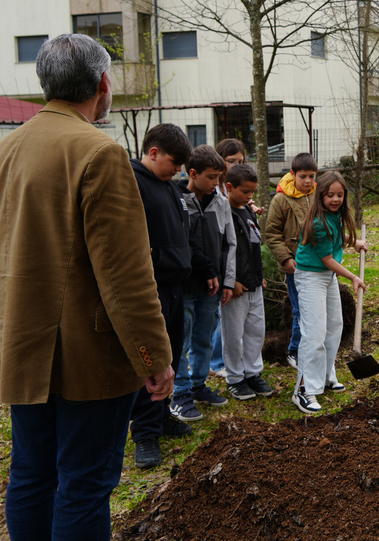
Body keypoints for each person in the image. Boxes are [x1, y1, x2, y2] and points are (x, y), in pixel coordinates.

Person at [0, 34, 173, 540]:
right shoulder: (99, 152)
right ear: (103, 83)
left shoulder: (8, 148)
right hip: (87, 355)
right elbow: (126, 275)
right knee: (85, 483)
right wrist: (154, 356)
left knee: (31, 474)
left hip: (22, 346)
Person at [129, 123, 195, 469]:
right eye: (174, 162)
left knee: (170, 353)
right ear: (153, 153)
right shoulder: (132, 182)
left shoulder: (168, 186)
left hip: (174, 286)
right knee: (151, 360)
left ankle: (162, 415)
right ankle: (144, 434)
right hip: (150, 287)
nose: (178, 170)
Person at [291, 171, 367, 413]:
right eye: (330, 195)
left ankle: (324, 376)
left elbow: (335, 236)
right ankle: (304, 390)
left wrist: (352, 241)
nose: (335, 199)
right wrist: (353, 276)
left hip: (327, 276)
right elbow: (326, 258)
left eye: (340, 195)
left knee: (334, 325)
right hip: (311, 276)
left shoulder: (334, 216)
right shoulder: (316, 222)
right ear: (320, 195)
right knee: (314, 333)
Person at [171, 145, 235, 423]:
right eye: (211, 177)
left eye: (220, 177)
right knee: (181, 340)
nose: (217, 184)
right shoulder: (176, 200)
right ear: (192, 173)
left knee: (203, 339)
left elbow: (228, 243)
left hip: (212, 287)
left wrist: (228, 280)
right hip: (184, 287)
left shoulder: (221, 202)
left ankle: (198, 386)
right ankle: (180, 392)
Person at [221, 164, 274, 400]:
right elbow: (222, 251)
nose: (250, 197)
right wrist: (231, 281)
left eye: (253, 192)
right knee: (234, 334)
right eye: (246, 192)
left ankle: (253, 373)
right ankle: (235, 378)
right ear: (229, 187)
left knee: (255, 331)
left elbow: (254, 246)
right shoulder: (223, 214)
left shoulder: (248, 211)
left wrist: (259, 275)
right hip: (236, 289)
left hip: (254, 285)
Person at [264, 152, 318, 369]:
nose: (307, 181)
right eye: (303, 176)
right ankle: (295, 351)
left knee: (316, 309)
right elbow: (272, 233)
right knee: (300, 309)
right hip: (296, 266)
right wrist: (286, 259)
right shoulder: (280, 199)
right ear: (293, 174)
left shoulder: (318, 195)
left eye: (312, 176)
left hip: (320, 263)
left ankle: (313, 348)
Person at [209, 138, 249, 376]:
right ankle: (217, 362)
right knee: (217, 315)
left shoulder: (235, 188)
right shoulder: (215, 189)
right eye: (230, 161)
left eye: (240, 161)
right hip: (218, 256)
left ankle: (227, 358)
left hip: (233, 256)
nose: (235, 165)